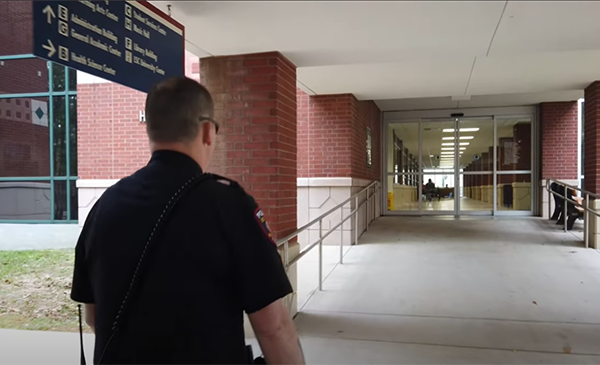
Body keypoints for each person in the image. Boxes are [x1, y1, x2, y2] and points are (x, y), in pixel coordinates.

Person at [70, 77, 306, 365]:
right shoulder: (231, 205)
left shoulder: (104, 207)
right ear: (207, 131)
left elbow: (95, 317)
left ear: (150, 130)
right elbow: (274, 328)